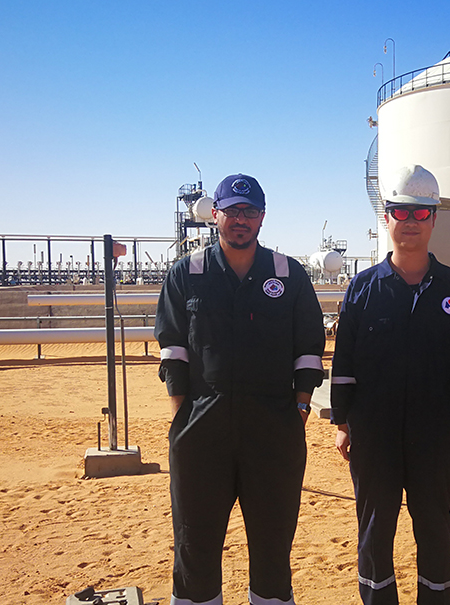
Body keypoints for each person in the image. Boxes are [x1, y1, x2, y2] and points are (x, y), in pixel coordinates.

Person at [155, 173, 326, 605]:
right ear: (215, 214)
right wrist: (182, 415)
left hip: (274, 428)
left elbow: (309, 348)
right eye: (232, 211)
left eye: (249, 211)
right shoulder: (187, 273)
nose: (240, 219)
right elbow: (172, 348)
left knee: (273, 544)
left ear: (262, 217)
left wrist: (300, 409)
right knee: (194, 542)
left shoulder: (288, 274)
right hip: (201, 426)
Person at [330, 165, 450, 605]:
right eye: (401, 212)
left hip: (437, 434)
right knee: (375, 530)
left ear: (434, 218)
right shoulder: (363, 289)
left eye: (420, 213)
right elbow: (344, 363)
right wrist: (342, 422)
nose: (410, 222)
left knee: (434, 526)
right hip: (373, 433)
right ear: (387, 217)